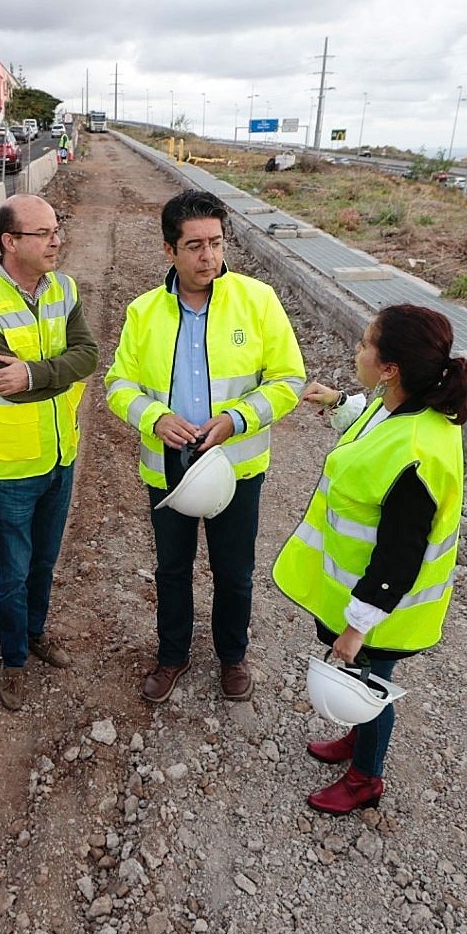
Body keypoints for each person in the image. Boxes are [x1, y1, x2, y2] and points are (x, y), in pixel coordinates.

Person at [272, 303, 467, 814]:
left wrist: (357, 627)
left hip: (383, 606)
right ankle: (360, 742)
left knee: (369, 684)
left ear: (390, 367)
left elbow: (397, 560)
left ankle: (367, 777)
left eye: (366, 343)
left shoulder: (416, 452)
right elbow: (371, 431)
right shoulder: (401, 404)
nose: (357, 350)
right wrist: (339, 404)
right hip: (362, 593)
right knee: (363, 682)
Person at [106, 188, 306, 704]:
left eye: (216, 243)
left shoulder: (258, 301)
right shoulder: (143, 312)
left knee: (234, 571)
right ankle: (172, 656)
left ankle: (232, 658)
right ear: (169, 250)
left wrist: (237, 419)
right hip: (168, 467)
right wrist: (155, 417)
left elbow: (288, 380)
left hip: (235, 467)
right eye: (194, 245)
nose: (209, 257)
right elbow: (117, 386)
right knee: (172, 570)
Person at [0, 195, 98, 710]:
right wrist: (53, 370)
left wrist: (34, 370)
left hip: (59, 455)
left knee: (45, 561)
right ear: (10, 241)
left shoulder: (64, 289)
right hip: (9, 466)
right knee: (13, 572)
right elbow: (6, 386)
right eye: (44, 233)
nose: (57, 240)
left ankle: (34, 633)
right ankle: (12, 660)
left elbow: (89, 355)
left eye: (58, 229)